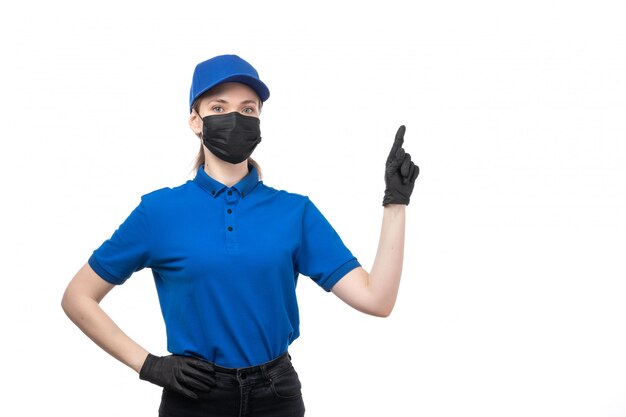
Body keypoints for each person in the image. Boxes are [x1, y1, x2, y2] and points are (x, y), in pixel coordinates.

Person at [61, 54, 419, 417]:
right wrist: (150, 365)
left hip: (276, 395)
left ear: (260, 122)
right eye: (219, 106)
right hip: (194, 396)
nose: (235, 118)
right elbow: (78, 297)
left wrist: (396, 203)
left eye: (248, 110)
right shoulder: (159, 212)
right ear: (195, 121)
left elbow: (377, 300)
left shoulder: (294, 212)